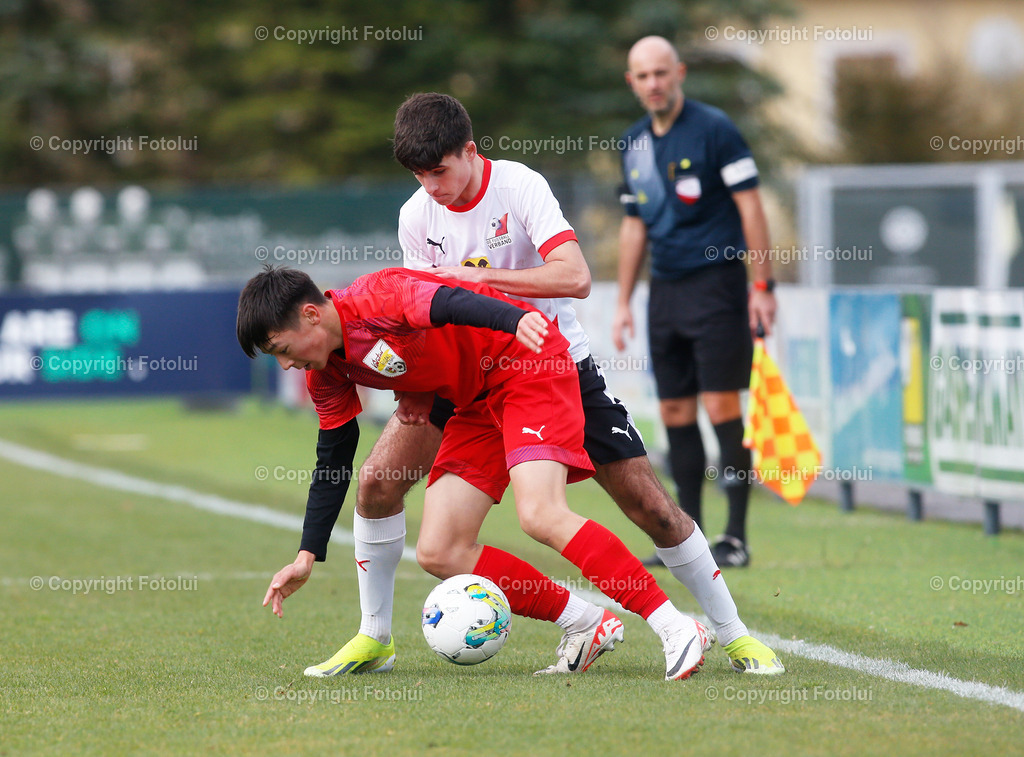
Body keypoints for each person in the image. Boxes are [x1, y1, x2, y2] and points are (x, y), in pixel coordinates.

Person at [312, 92, 782, 677]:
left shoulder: (518, 186)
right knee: (407, 513)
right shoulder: (416, 215)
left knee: (650, 508)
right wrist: (413, 393)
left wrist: (477, 279)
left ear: (469, 152)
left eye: (439, 171)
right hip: (470, 386)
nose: (430, 187)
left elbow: (576, 277)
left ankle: (733, 635)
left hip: (550, 367)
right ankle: (560, 624)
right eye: (417, 175)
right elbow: (418, 312)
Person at [239, 264, 715, 681]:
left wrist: (519, 318)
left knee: (540, 515)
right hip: (477, 399)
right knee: (439, 550)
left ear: (310, 315)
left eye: (282, 348)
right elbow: (333, 459)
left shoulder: (377, 297)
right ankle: (586, 622)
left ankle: (675, 626)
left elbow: (451, 300)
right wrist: (307, 554)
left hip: (528, 363)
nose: (285, 364)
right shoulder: (324, 371)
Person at [613, 36, 777, 570]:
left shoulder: (715, 130)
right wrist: (622, 302)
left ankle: (735, 536)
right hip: (666, 291)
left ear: (679, 72)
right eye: (643, 76)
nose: (654, 83)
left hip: (719, 285)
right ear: (631, 82)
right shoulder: (633, 144)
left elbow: (752, 208)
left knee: (720, 405)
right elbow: (634, 227)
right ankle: (690, 537)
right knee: (674, 411)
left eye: (662, 72)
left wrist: (762, 286)